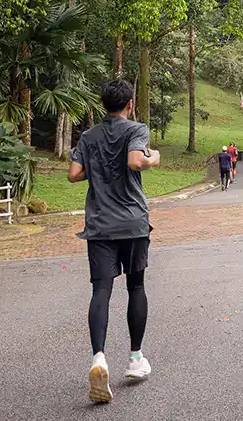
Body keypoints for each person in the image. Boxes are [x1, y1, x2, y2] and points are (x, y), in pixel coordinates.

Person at [67, 79, 160, 403]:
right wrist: (154, 158)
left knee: (101, 290)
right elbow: (136, 161)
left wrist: (97, 164)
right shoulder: (136, 129)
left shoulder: (88, 136)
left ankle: (99, 357)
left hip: (101, 225)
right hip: (133, 223)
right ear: (130, 104)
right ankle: (135, 358)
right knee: (135, 287)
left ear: (103, 104)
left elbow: (74, 174)